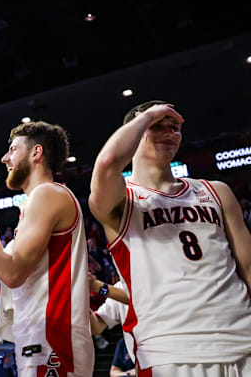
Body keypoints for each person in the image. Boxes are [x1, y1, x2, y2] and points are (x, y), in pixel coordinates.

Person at [89, 101, 251, 375]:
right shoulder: (123, 200)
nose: (169, 132)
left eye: (174, 127)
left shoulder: (216, 191)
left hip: (243, 337)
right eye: (157, 126)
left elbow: (248, 266)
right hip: (171, 349)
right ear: (136, 131)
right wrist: (147, 115)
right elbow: (107, 163)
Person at [0, 121, 93, 376]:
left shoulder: (47, 194)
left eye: (13, 149)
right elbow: (8, 265)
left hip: (52, 337)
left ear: (36, 153)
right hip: (42, 336)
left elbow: (13, 275)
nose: (5, 158)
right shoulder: (38, 200)